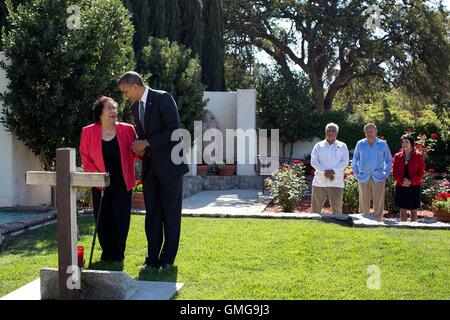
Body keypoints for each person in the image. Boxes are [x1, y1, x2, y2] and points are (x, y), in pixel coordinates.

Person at [118, 71, 189, 270]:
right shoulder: (134, 107)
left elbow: (174, 130)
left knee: (170, 215)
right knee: (153, 215)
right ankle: (152, 258)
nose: (125, 97)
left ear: (134, 86)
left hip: (170, 168)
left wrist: (146, 142)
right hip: (150, 170)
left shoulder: (163, 98)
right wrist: (140, 146)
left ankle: (167, 259)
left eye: (125, 92)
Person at [79, 96, 138, 263]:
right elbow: (85, 157)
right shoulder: (88, 131)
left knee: (121, 219)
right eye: (109, 108)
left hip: (122, 182)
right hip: (100, 184)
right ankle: (106, 253)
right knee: (103, 219)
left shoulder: (127, 129)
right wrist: (98, 178)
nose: (114, 111)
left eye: (115, 108)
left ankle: (118, 254)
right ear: (100, 113)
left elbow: (136, 151)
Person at [352, 123, 392, 222]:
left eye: (371, 131)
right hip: (363, 177)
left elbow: (388, 160)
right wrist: (357, 174)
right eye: (367, 132)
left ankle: (378, 220)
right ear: (365, 133)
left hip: (378, 177)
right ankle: (363, 221)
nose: (369, 133)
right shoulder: (360, 143)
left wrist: (385, 174)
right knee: (363, 201)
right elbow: (355, 159)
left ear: (376, 131)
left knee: (378, 201)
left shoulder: (383, 144)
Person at [310, 123, 349, 214]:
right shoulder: (318, 146)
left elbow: (345, 162)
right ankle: (313, 226)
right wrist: (324, 171)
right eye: (328, 130)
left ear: (336, 133)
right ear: (325, 132)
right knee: (315, 211)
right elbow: (314, 161)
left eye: (333, 131)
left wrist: (333, 171)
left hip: (336, 182)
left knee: (337, 211)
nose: (330, 132)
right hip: (319, 182)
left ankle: (337, 226)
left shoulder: (342, 146)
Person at [392, 135, 425, 222]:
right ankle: (403, 229)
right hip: (401, 184)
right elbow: (394, 172)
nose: (404, 144)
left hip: (414, 185)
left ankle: (414, 228)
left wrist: (410, 182)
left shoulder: (418, 156)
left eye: (407, 142)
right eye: (403, 142)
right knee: (402, 209)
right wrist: (401, 181)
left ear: (412, 144)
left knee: (413, 209)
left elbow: (421, 172)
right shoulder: (397, 156)